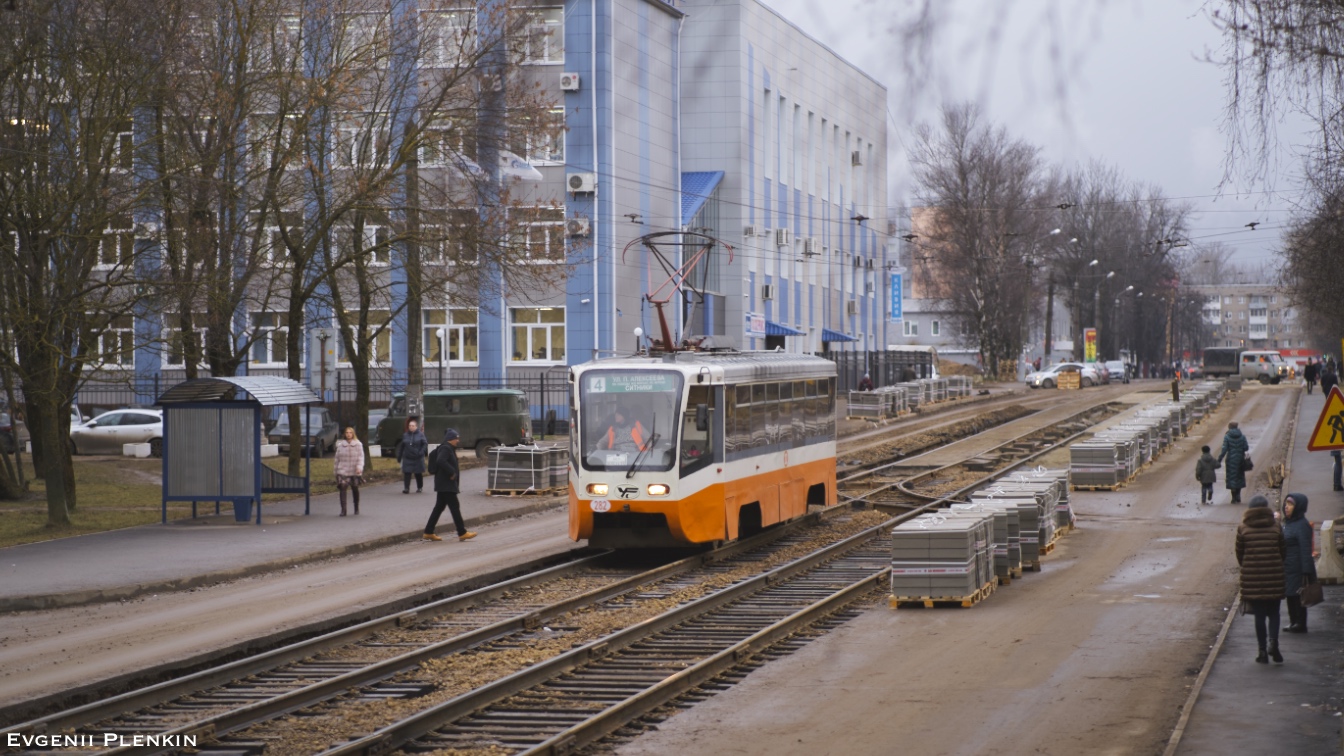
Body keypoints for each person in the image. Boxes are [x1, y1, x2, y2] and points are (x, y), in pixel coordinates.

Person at [1236, 495, 1286, 664]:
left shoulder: (1243, 528)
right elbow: (1283, 551)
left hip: (1253, 578)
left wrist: (1249, 567)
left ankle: (1262, 651)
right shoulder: (1276, 527)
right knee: (1274, 613)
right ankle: (1274, 642)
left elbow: (1239, 554)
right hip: (1274, 576)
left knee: (1259, 615)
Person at [423, 428, 475, 542]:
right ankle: (462, 532)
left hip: (444, 484)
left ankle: (428, 531)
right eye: (456, 438)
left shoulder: (448, 448)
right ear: (451, 439)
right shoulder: (446, 448)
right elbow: (441, 460)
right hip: (446, 484)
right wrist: (452, 472)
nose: (458, 440)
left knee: (439, 508)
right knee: (454, 507)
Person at [1281, 492, 1318, 633]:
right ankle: (1293, 622)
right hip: (1288, 566)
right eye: (1286, 503)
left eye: (1290, 504)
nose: (1286, 507)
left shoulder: (1302, 525)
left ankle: (1300, 623)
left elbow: (1305, 549)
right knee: (1290, 595)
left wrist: (1307, 571)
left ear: (1298, 507)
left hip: (1297, 567)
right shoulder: (1289, 523)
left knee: (1298, 596)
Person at [1216, 421, 1250, 504]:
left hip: (1230, 459)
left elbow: (1224, 450)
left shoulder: (1227, 436)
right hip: (1240, 459)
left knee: (1231, 477)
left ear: (1229, 428)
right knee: (1239, 477)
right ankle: (1238, 495)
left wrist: (1219, 459)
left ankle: (1233, 496)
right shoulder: (1242, 436)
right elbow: (1246, 448)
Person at [333, 426, 364, 516]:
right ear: (344, 434)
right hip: (343, 470)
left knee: (355, 488)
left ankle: (356, 507)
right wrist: (336, 471)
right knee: (342, 487)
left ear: (353, 434)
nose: (348, 434)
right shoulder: (340, 445)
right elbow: (337, 459)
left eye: (350, 432)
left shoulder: (358, 444)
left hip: (354, 470)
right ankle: (343, 510)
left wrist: (359, 468)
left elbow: (361, 458)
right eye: (347, 433)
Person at [396, 418, 429, 494]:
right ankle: (406, 488)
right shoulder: (405, 435)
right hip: (408, 457)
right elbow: (402, 446)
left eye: (413, 426)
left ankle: (419, 487)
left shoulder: (421, 435)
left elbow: (424, 444)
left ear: (416, 426)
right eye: (410, 425)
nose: (411, 427)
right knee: (407, 473)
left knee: (418, 473)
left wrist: (421, 452)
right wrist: (399, 456)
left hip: (418, 457)